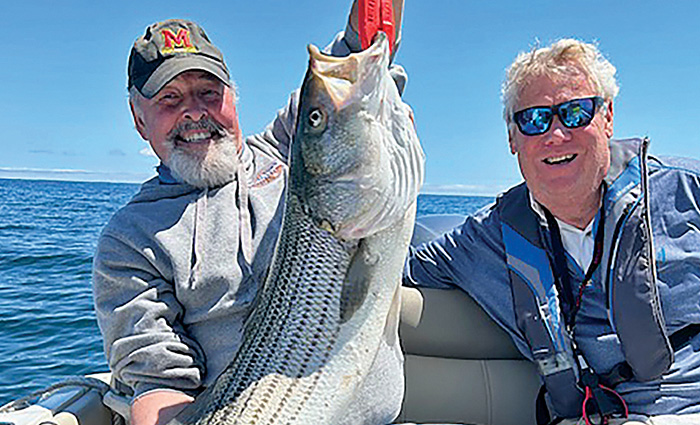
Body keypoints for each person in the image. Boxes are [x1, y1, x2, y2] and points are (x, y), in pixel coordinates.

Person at [92, 4, 406, 425]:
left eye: (209, 92)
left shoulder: (290, 150)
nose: (195, 112)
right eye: (170, 98)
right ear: (138, 118)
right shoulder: (128, 240)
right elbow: (159, 383)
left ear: (233, 97)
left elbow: (354, 61)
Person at [404, 39, 700, 425]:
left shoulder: (687, 193)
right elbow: (372, 269)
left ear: (607, 117)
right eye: (533, 119)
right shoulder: (486, 238)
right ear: (513, 139)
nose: (556, 134)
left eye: (575, 112)